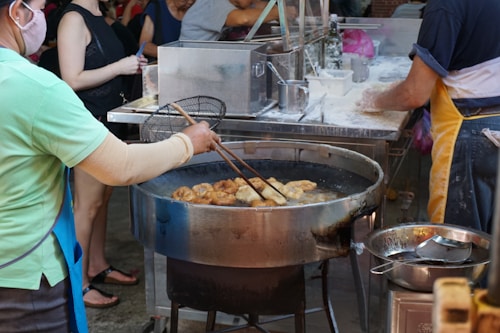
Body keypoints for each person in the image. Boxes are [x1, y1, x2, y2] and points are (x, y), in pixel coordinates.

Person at [0, 0, 219, 330]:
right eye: (41, 8)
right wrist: (188, 142)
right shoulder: (35, 86)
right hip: (24, 276)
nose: (46, 18)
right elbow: (122, 166)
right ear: (18, 13)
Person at [357, 0, 500, 234]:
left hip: (472, 139)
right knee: (490, 249)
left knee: (456, 247)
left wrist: (375, 99)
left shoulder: (446, 5)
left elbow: (414, 94)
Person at [55, 0, 148, 308]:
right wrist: (120, 66)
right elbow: (72, 78)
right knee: (87, 205)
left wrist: (130, 67)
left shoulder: (98, 16)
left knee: (102, 200)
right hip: (89, 122)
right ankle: (79, 286)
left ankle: (97, 264)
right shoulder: (72, 18)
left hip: (109, 121)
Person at [179, 0, 293, 41]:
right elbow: (243, 19)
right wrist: (281, 12)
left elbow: (257, 6)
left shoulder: (232, 3)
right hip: (188, 65)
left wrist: (283, 9)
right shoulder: (213, 4)